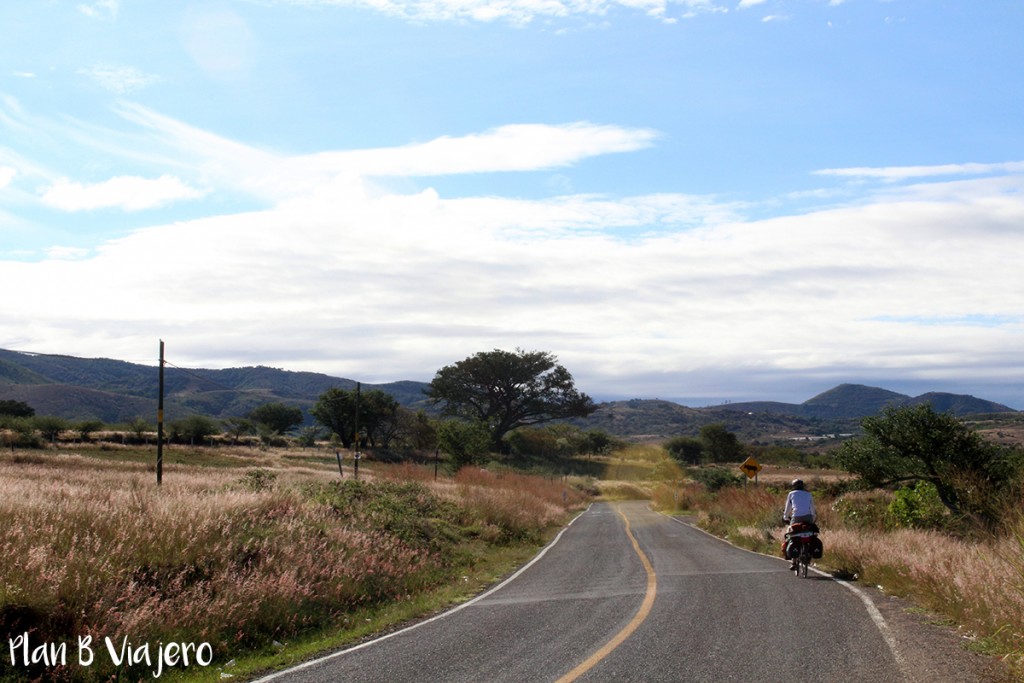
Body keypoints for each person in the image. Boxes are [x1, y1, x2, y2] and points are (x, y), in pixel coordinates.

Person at [783, 479, 816, 570]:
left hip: (796, 517)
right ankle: (808, 555)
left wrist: (785, 517)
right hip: (808, 517)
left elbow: (787, 508)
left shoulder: (791, 494)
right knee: (810, 533)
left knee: (791, 535)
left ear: (793, 486)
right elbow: (812, 508)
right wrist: (813, 519)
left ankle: (793, 562)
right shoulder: (808, 494)